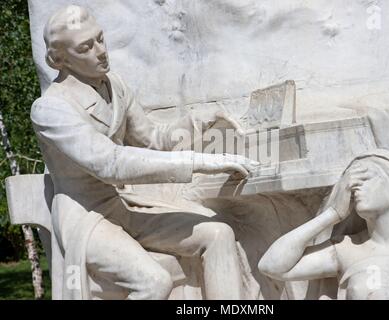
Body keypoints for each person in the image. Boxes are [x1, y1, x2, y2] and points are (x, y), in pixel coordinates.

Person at [31, 5, 257, 300]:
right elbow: (110, 163)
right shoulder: (51, 108)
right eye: (86, 47)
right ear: (60, 59)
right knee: (153, 282)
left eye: (100, 38)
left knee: (218, 234)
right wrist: (198, 162)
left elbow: (151, 138)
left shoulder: (115, 85)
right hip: (86, 218)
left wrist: (197, 123)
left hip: (122, 206)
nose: (101, 51)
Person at [258, 149, 389, 299]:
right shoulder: (345, 250)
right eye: (350, 183)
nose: (355, 187)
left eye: (365, 179)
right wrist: (332, 213)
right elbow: (272, 266)